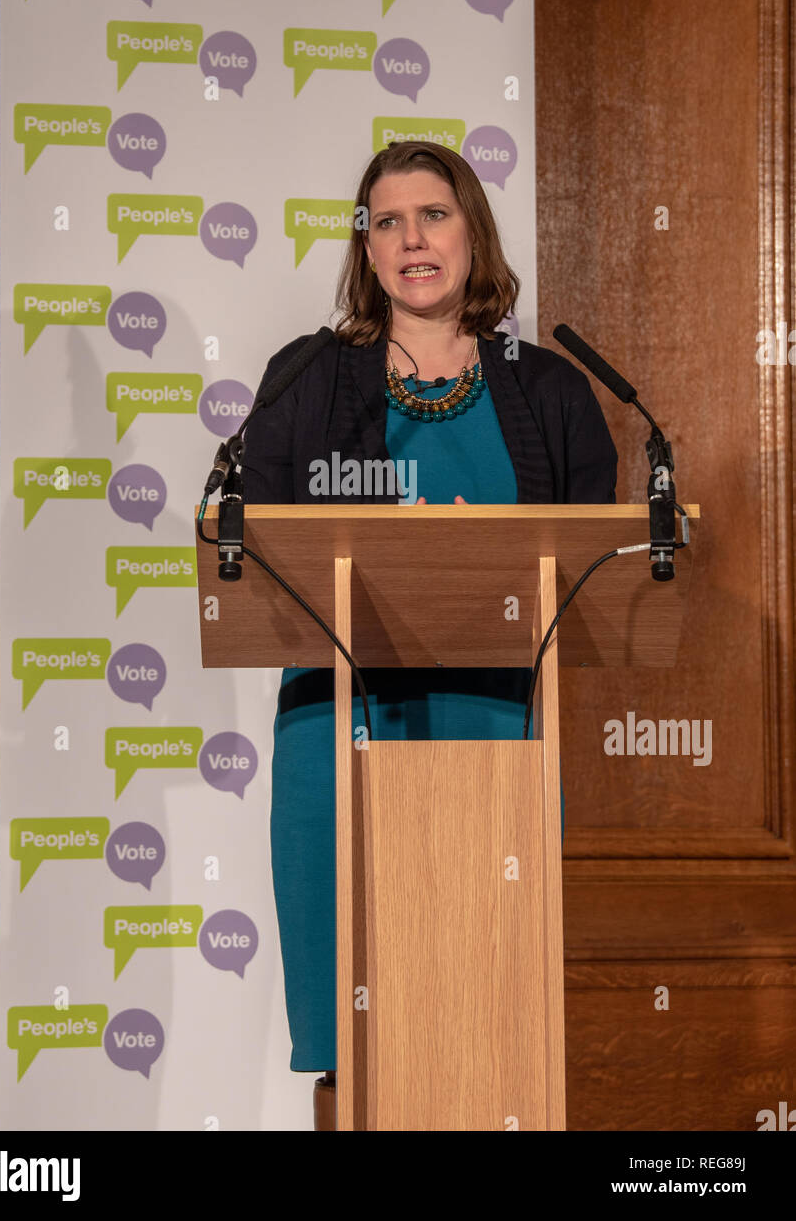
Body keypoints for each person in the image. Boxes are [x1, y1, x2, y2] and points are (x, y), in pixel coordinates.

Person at [241, 140, 618, 1129]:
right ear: (366, 249)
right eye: (389, 221)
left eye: (434, 215)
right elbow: (256, 547)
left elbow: (594, 568)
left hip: (495, 730)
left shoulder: (551, 390)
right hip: (335, 734)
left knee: (486, 1014)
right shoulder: (304, 380)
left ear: (472, 234)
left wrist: (472, 550)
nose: (413, 237)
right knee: (354, 1028)